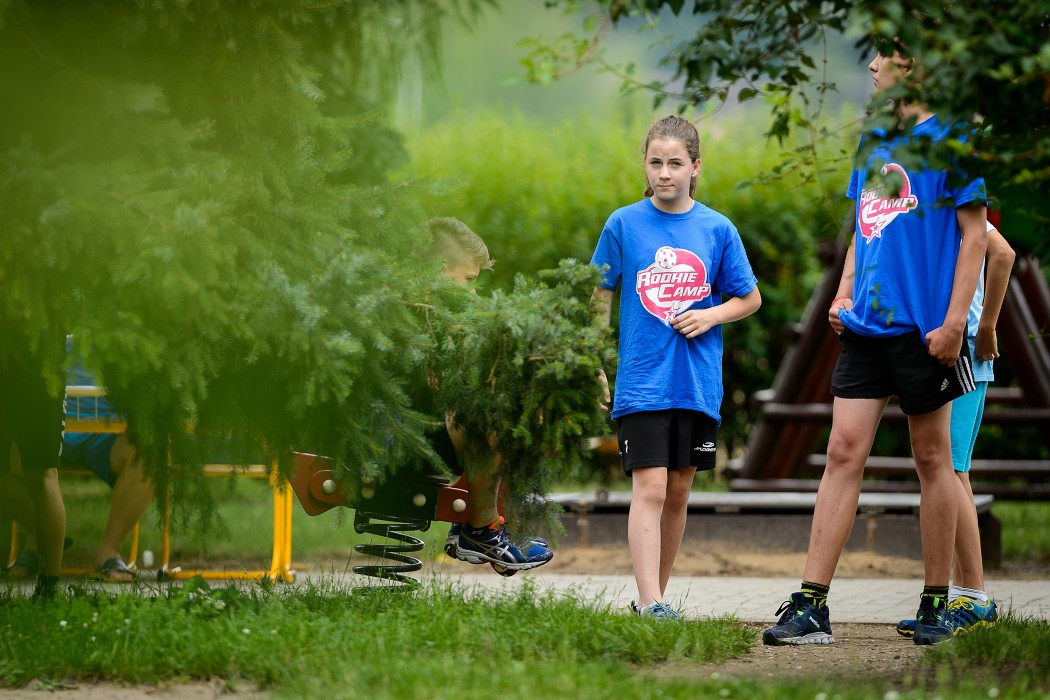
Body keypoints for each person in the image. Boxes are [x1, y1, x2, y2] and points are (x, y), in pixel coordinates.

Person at [762, 48, 989, 646]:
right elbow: (865, 230)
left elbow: (974, 240)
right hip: (866, 329)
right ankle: (812, 605)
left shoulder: (953, 139)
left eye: (882, 57)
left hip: (927, 333)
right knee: (842, 452)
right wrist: (841, 296)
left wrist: (954, 322)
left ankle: (936, 604)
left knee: (934, 460)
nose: (870, 66)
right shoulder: (874, 139)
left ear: (914, 64)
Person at [589, 115, 761, 619]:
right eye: (656, 162)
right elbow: (599, 298)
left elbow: (749, 299)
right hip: (641, 380)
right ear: (645, 165)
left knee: (681, 488)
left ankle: (656, 598)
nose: (665, 173)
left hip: (696, 382)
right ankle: (650, 601)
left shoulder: (717, 228)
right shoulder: (622, 224)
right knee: (652, 486)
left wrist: (710, 314)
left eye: (676, 163)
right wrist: (593, 362)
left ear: (695, 167)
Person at [894, 223, 1015, 637]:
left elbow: (1003, 254)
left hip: (962, 350)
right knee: (952, 469)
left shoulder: (956, 202)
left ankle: (975, 597)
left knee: (951, 468)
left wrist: (987, 327)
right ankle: (963, 598)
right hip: (938, 350)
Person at [421, 217, 554, 573]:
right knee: (491, 412)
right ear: (437, 270)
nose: (473, 292)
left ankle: (483, 527)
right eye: (468, 280)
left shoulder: (450, 317)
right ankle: (482, 529)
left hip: (431, 431)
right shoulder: (419, 317)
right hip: (407, 437)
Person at [4, 341, 155, 582]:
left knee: (149, 453)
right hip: (44, 420)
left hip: (106, 429)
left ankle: (109, 550)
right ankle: (44, 537)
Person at [0, 331, 66, 599]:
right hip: (41, 356)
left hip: (39, 361)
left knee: (43, 475)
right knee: (43, 476)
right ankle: (49, 588)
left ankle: (49, 587)